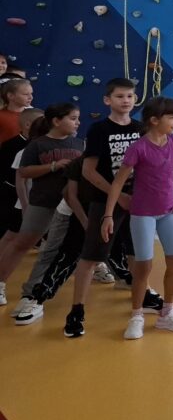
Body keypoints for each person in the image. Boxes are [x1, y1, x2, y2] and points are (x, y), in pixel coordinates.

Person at [64, 78, 163, 339]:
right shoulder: (99, 129)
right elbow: (89, 171)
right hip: (106, 201)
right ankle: (76, 310)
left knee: (137, 254)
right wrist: (117, 197)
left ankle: (144, 294)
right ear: (108, 100)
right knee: (92, 256)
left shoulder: (141, 128)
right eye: (120, 96)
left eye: (130, 96)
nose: (126, 100)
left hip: (138, 202)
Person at [103, 97, 173, 340]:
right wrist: (108, 215)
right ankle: (136, 316)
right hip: (142, 214)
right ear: (154, 120)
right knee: (143, 266)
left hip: (169, 212)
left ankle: (167, 313)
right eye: (171, 117)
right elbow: (117, 183)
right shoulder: (138, 148)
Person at [0, 104, 84, 307]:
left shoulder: (79, 143)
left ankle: (34, 291)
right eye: (73, 118)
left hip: (69, 204)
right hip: (42, 201)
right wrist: (53, 166)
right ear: (57, 121)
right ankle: (1, 283)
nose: (78, 123)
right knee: (22, 243)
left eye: (78, 118)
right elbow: (24, 172)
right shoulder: (37, 144)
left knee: (54, 249)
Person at [0, 109, 44, 263]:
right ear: (28, 125)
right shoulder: (15, 147)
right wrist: (24, 203)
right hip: (15, 195)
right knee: (11, 233)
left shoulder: (43, 145)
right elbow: (15, 177)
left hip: (36, 198)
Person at [0, 78, 34, 143]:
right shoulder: (1, 116)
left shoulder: (35, 115)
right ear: (10, 96)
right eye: (26, 94)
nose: (31, 97)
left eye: (31, 93)